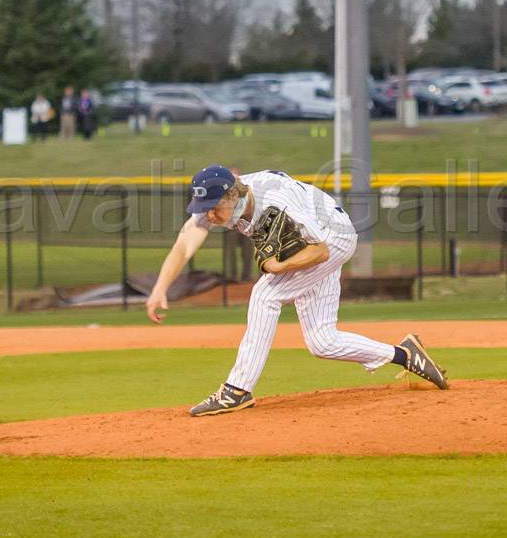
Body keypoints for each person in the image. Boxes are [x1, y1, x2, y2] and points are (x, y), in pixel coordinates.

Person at [145, 165, 449, 417]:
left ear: (231, 194)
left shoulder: (275, 201)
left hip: (332, 239)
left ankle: (236, 390)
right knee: (322, 342)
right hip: (313, 242)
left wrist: (278, 268)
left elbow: (321, 251)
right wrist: (160, 288)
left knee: (265, 295)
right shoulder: (224, 200)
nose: (209, 216)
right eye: (204, 209)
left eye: (213, 209)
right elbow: (185, 243)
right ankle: (405, 354)